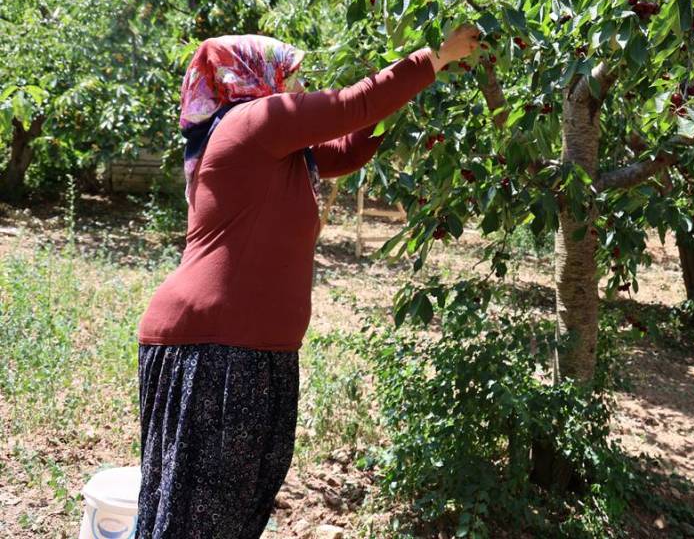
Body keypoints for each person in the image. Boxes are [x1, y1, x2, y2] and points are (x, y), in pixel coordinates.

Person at [135, 26, 479, 538]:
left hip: (247, 351)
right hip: (215, 351)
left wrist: (420, 83)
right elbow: (349, 106)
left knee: (225, 514)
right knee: (202, 519)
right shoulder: (249, 122)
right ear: (249, 76)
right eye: (286, 77)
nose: (292, 88)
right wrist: (437, 54)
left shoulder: (281, 152)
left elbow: (352, 145)